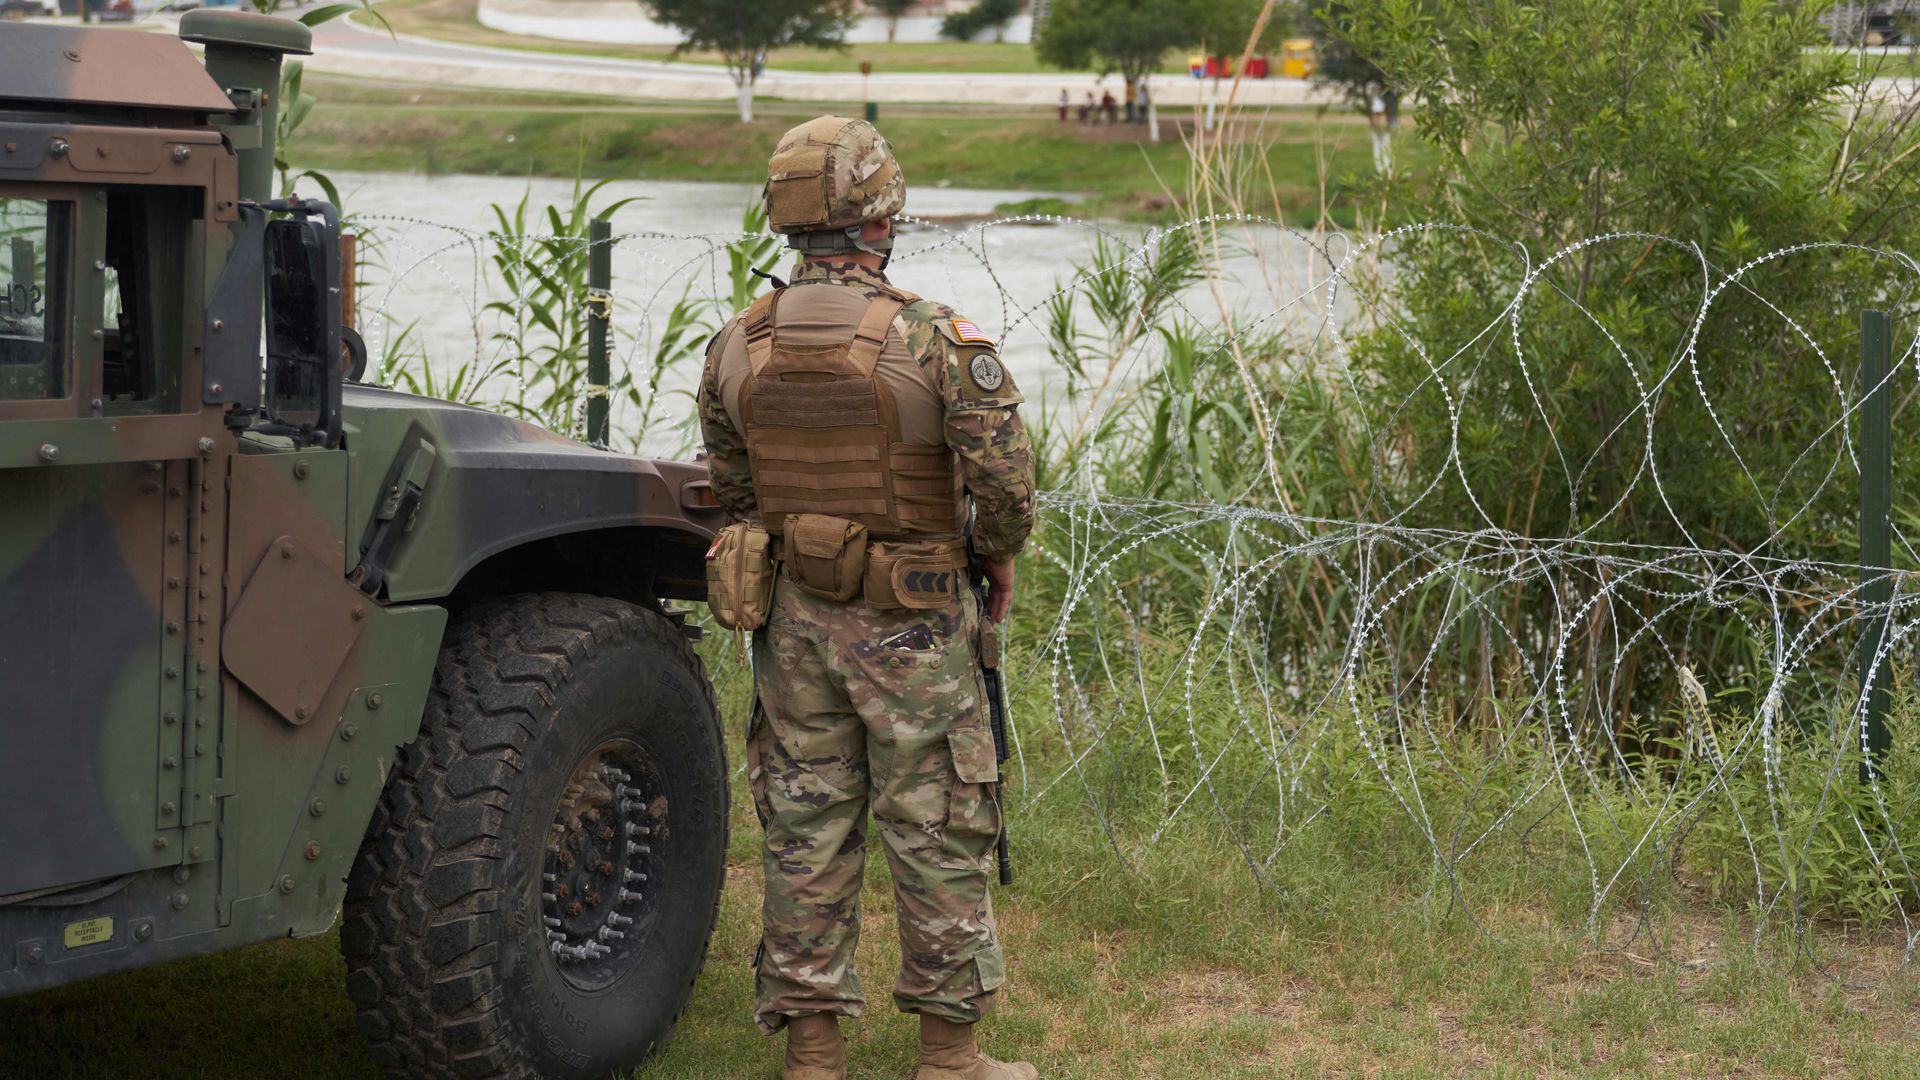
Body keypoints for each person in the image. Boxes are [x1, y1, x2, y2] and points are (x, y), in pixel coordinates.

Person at [699, 115, 1039, 1080]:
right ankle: (952, 1059)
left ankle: (814, 1055)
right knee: (937, 821)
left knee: (805, 822)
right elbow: (1006, 484)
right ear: (882, 217)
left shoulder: (738, 343)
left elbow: (731, 490)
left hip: (795, 621)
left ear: (786, 219)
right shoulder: (934, 338)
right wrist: (997, 555)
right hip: (915, 618)